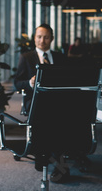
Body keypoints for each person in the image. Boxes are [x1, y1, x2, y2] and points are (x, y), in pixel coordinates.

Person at [14, 23, 68, 182]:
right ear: (34, 38)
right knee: (47, 114)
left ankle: (57, 159)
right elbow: (17, 83)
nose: (42, 40)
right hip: (35, 101)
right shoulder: (26, 57)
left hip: (58, 100)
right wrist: (30, 83)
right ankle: (45, 153)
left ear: (51, 39)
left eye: (45, 37)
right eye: (39, 37)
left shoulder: (60, 57)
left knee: (64, 113)